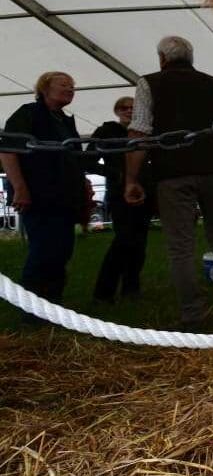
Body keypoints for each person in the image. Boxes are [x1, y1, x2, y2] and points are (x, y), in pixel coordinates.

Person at [125, 36, 213, 328]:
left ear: (162, 59)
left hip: (173, 174)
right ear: (191, 59)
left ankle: (192, 314)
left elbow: (140, 132)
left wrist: (132, 178)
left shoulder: (148, 83)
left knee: (180, 246)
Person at [0, 72, 91, 308]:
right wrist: (20, 188)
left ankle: (53, 304)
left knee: (62, 252)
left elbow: (73, 160)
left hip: (64, 198)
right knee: (43, 252)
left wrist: (83, 190)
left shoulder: (64, 120)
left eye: (73, 86)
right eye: (63, 84)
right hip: (39, 196)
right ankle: (31, 311)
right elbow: (8, 151)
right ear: (44, 88)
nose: (70, 89)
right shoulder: (28, 114)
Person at [88, 96, 153, 302]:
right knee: (124, 240)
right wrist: (116, 174)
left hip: (145, 192)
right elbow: (88, 161)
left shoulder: (147, 132)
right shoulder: (106, 131)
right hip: (118, 193)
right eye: (124, 107)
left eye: (133, 108)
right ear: (117, 111)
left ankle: (131, 287)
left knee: (140, 242)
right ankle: (104, 292)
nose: (129, 110)